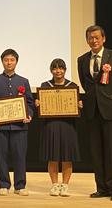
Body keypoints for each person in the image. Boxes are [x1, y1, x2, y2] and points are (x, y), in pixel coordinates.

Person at [78, 25, 112, 201]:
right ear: (87, 40)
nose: (93, 41)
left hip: (111, 111)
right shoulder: (82, 59)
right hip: (92, 111)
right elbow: (86, 85)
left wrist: (111, 98)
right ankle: (101, 188)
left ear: (103, 38)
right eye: (90, 38)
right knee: (96, 151)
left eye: (96, 37)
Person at [0, 49, 34, 196]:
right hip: (1, 126)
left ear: (16, 61)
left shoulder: (24, 81)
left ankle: (20, 185)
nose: (9, 62)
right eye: (6, 60)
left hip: (20, 126)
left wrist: (29, 115)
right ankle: (3, 184)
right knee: (1, 156)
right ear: (2, 61)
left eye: (12, 59)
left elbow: (29, 103)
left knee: (20, 156)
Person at [36, 58, 82, 197]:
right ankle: (55, 185)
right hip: (51, 125)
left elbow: (76, 106)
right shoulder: (45, 85)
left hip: (68, 125)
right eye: (55, 68)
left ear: (65, 70)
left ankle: (65, 186)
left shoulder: (72, 86)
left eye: (61, 68)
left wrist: (79, 106)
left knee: (67, 157)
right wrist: (38, 104)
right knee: (53, 156)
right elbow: (40, 106)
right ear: (51, 71)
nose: (58, 71)